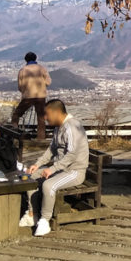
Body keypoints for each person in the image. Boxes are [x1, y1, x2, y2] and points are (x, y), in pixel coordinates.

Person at [19, 98, 88, 237]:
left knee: (48, 185)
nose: (45, 118)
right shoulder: (58, 128)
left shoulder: (72, 126)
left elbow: (72, 154)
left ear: (56, 112)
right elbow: (51, 150)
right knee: (30, 177)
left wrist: (52, 169)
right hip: (61, 169)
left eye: (47, 114)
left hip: (74, 171)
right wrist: (37, 165)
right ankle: (33, 213)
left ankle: (45, 220)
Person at [12, 51, 52, 139]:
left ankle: (14, 134)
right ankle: (41, 139)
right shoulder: (41, 69)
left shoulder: (22, 70)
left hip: (28, 97)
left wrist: (25, 91)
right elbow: (48, 82)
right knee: (41, 119)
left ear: (26, 60)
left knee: (16, 115)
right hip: (40, 97)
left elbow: (20, 87)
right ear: (35, 58)